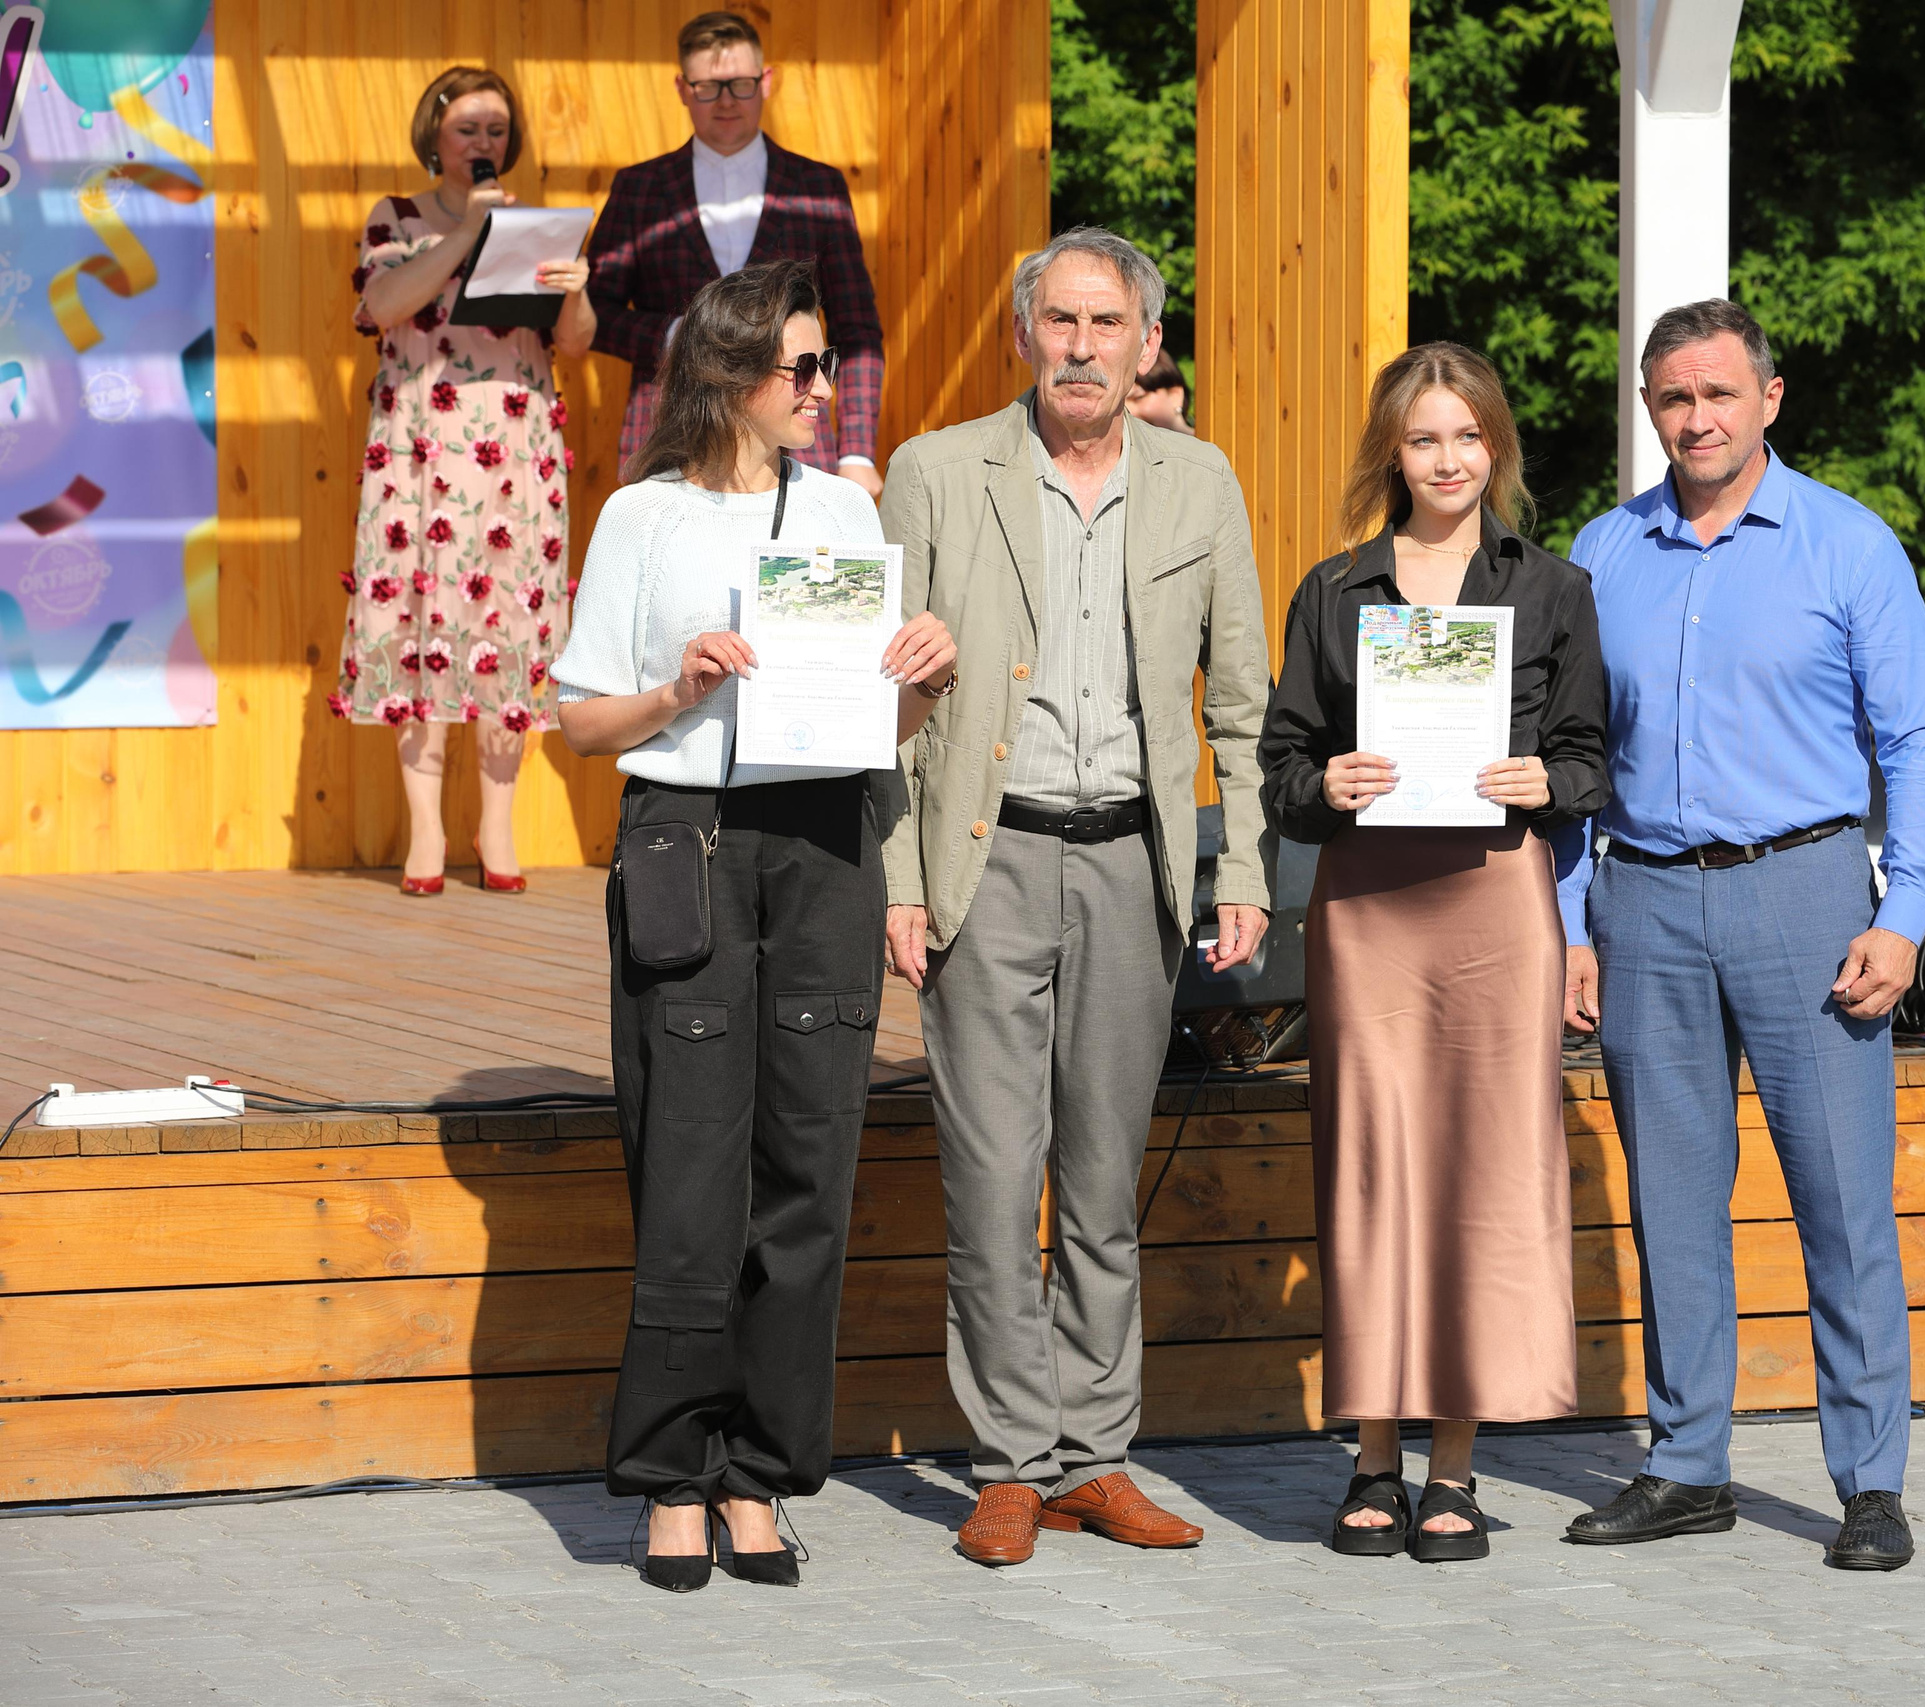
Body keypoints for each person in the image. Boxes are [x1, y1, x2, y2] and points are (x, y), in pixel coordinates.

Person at [552, 261, 956, 1593]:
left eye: (827, 363)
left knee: (807, 1168)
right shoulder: (644, 518)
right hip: (689, 838)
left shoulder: (843, 505)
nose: (823, 387)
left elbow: (873, 725)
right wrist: (682, 682)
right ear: (726, 369)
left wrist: (920, 679)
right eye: (801, 365)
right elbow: (582, 722)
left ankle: (763, 1474)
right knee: (688, 1166)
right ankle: (671, 1472)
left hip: (829, 843)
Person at [878, 227, 1273, 1568]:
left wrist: (1244, 868)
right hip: (986, 860)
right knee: (993, 1180)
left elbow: (1240, 705)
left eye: (1109, 325)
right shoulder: (935, 473)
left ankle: (1096, 1457)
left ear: (1146, 343)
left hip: (1135, 865)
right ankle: (1006, 1462)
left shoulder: (1201, 481)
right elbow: (890, 706)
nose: (1084, 346)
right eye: (1062, 321)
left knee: (1102, 1182)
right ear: (1025, 331)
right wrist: (901, 879)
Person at [1554, 299, 1925, 1572]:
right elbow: (1566, 763)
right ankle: (1686, 1464)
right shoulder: (1601, 553)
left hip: (1811, 894)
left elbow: (1918, 744)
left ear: (1767, 399)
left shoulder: (1847, 545)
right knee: (1673, 1199)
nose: (1698, 419)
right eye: (1674, 398)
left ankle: (1868, 1483)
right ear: (1649, 408)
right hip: (1645, 900)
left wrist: (1905, 914)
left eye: (1720, 394)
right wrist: (1571, 923)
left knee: (1840, 1202)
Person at [1259, 342, 1607, 1562]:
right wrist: (1328, 781)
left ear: (1494, 447)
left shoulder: (1551, 588)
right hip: (1369, 911)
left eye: (1467, 437)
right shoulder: (1333, 589)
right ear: (1391, 454)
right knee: (1372, 1171)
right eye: (1424, 440)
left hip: (1495, 904)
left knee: (1481, 1176)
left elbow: (1592, 763)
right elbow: (1281, 765)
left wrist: (1545, 779)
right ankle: (1369, 1457)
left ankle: (1452, 1468)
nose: (1448, 459)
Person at [339, 65, 594, 895]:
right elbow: (382, 305)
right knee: (420, 621)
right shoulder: (398, 218)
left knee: (507, 625)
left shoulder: (537, 225)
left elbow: (576, 343)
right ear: (435, 136)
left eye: (494, 131)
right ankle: (423, 836)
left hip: (514, 451)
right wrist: (469, 237)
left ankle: (496, 829)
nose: (482, 145)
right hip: (419, 450)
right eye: (466, 130)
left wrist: (578, 290)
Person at [585, 10, 886, 496]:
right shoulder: (639, 188)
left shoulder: (817, 188)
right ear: (683, 89)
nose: (725, 101)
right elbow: (594, 312)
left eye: (740, 84)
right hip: (672, 427)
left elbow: (857, 330)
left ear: (766, 82)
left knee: (797, 571)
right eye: (708, 87)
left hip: (800, 436)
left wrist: (857, 451)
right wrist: (676, 334)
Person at [1128, 348, 1196, 436]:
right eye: (1120, 404)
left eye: (1138, 398)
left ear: (1175, 395)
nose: (1129, 411)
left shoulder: (1213, 445)